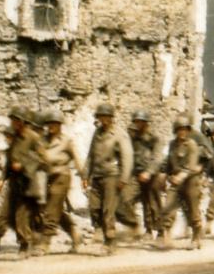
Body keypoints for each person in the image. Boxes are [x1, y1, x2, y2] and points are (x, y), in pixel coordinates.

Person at [0, 105, 47, 259]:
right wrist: (2, 180)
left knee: (21, 216)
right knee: (10, 215)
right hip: (15, 183)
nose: (13, 123)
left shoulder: (33, 138)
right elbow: (9, 162)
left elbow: (43, 159)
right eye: (12, 120)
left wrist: (24, 164)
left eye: (15, 120)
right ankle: (29, 241)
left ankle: (25, 246)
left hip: (29, 183)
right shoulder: (15, 138)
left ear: (23, 122)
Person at [84, 103, 132, 255]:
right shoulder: (97, 133)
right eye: (100, 116)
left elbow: (127, 156)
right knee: (94, 207)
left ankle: (110, 241)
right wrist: (86, 175)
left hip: (112, 175)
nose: (103, 119)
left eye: (106, 117)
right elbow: (91, 155)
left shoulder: (119, 134)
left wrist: (123, 179)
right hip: (97, 175)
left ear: (111, 118)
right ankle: (99, 231)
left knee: (108, 210)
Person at [36, 109, 84, 255]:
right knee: (53, 209)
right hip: (46, 178)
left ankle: (45, 243)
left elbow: (77, 159)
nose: (51, 126)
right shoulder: (42, 140)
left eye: (54, 123)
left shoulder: (66, 141)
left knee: (51, 210)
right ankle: (75, 234)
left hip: (62, 177)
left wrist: (84, 176)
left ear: (60, 125)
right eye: (48, 123)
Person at [117, 109, 164, 241]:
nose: (137, 124)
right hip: (136, 175)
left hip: (152, 175)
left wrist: (148, 172)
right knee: (124, 198)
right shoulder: (132, 137)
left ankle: (160, 231)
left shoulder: (155, 138)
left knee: (153, 203)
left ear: (146, 123)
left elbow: (157, 157)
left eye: (140, 122)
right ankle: (138, 227)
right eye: (136, 121)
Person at [158, 116, 204, 250]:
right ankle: (166, 236)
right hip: (175, 181)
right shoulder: (172, 144)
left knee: (193, 210)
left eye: (184, 129)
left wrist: (181, 176)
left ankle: (196, 237)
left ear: (188, 130)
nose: (182, 132)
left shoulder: (192, 145)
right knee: (168, 207)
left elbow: (191, 165)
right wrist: (163, 174)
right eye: (179, 130)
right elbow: (168, 161)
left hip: (190, 181)